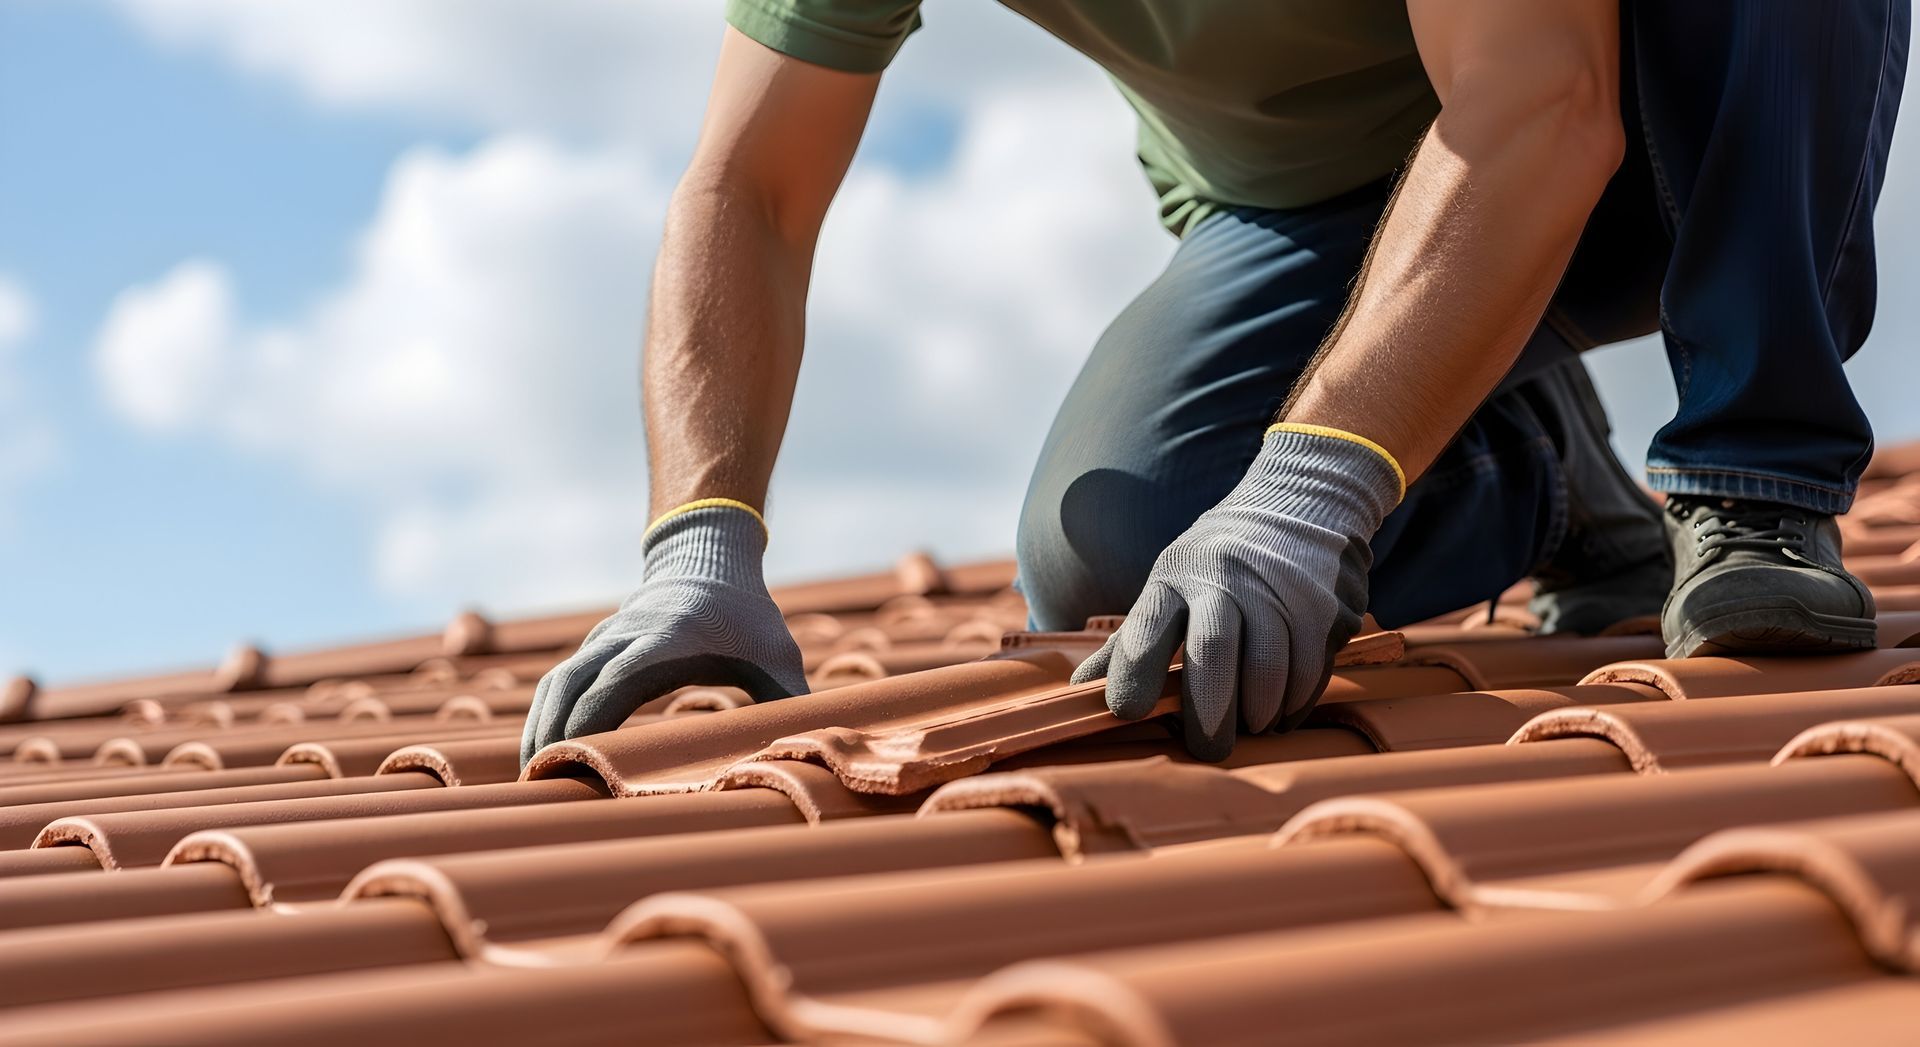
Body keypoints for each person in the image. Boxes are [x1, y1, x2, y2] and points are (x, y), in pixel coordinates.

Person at [521, 0, 1910, 765]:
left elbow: (1540, 99)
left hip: (1642, 109)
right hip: (1320, 217)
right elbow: (751, 190)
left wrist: (1312, 491)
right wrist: (698, 542)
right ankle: (1538, 473)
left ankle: (1754, 485)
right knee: (1118, 550)